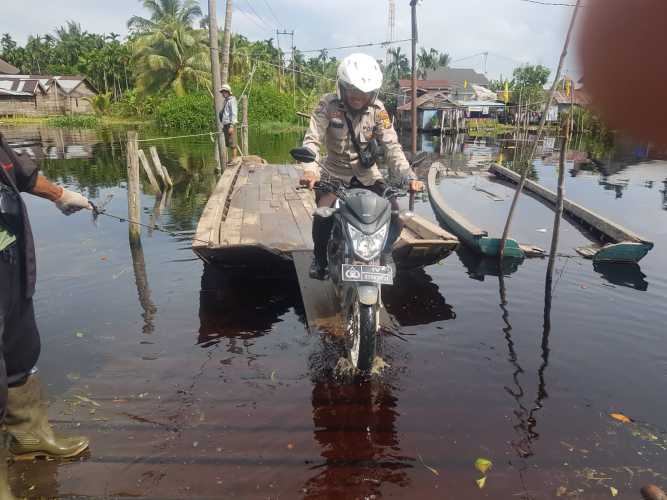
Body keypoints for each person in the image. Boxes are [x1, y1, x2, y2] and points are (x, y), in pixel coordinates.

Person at [0, 131, 90, 466]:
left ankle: (30, 435)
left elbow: (16, 170)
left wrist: (61, 194)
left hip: (8, 255)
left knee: (19, 347)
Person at [299, 53, 423, 280]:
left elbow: (392, 147)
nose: (358, 96)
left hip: (368, 175)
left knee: (396, 215)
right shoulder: (327, 104)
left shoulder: (379, 111)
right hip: (332, 174)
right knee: (323, 215)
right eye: (353, 89)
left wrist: (408, 176)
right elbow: (312, 139)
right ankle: (320, 259)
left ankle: (385, 253)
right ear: (343, 87)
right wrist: (310, 170)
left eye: (364, 92)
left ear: (372, 92)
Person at [219, 84, 239, 161]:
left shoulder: (232, 100)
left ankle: (234, 159)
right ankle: (232, 158)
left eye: (224, 92)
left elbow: (234, 113)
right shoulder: (226, 101)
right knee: (228, 143)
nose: (223, 93)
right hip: (226, 124)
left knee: (233, 143)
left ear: (228, 92)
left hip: (230, 124)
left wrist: (231, 126)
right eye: (222, 92)